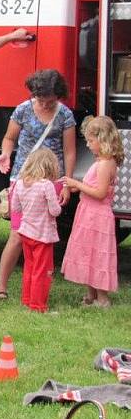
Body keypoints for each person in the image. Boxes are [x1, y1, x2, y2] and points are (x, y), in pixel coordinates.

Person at [0, 69, 76, 299]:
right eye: (41, 100)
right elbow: (9, 138)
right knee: (17, 234)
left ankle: (36, 288)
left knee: (43, 234)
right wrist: (6, 154)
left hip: (52, 181)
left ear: (58, 95)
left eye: (50, 101)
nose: (46, 104)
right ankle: (1, 286)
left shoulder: (65, 115)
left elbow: (69, 152)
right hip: (23, 180)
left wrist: (67, 183)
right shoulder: (22, 109)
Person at [61, 116, 125, 308]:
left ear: (103, 140)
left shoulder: (106, 164)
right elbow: (93, 186)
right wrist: (79, 188)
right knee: (88, 252)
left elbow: (100, 193)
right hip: (88, 213)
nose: (88, 145)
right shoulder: (101, 161)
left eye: (91, 141)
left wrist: (76, 183)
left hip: (97, 215)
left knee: (98, 255)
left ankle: (102, 298)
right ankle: (91, 295)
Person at [9, 148, 62, 313]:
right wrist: (59, 205)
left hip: (25, 232)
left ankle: (27, 299)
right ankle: (38, 304)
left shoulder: (20, 183)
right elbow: (54, 211)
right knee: (42, 270)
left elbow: (15, 208)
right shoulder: (46, 185)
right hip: (43, 235)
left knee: (29, 267)